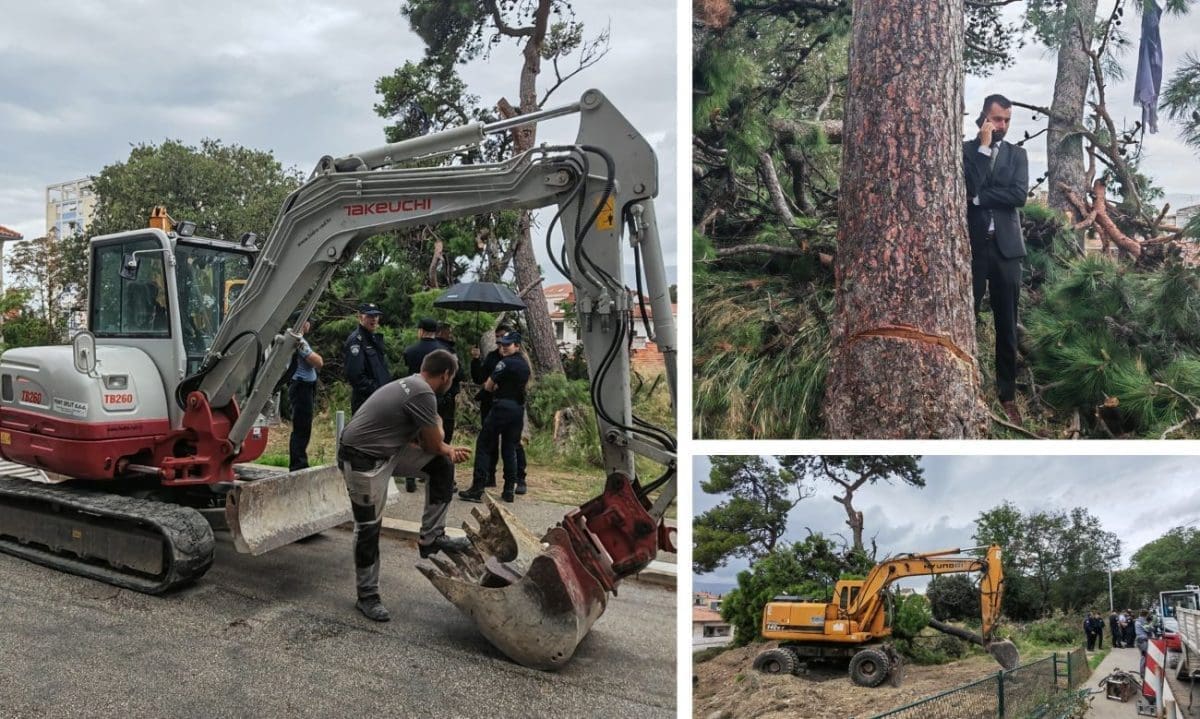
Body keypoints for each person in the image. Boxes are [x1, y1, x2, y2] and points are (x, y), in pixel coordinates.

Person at [337, 349, 472, 622]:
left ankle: (431, 537)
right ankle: (367, 596)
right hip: (363, 460)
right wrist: (442, 431)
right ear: (446, 375)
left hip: (387, 453)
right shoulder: (423, 393)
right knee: (367, 529)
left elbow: (426, 446)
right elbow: (434, 442)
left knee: (440, 465)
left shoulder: (412, 383)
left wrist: (442, 448)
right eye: (451, 378)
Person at [964, 93, 1029, 425]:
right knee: (966, 319)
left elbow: (1018, 195)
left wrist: (980, 197)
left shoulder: (1019, 154)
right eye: (997, 119)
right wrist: (983, 147)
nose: (1003, 125)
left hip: (1007, 250)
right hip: (972, 249)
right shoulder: (966, 151)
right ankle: (966, 386)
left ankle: (1007, 395)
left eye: (1006, 120)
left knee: (1007, 326)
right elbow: (967, 187)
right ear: (984, 118)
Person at [460, 332, 530, 503]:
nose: (504, 347)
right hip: (517, 409)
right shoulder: (525, 365)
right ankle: (508, 490)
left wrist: (495, 386)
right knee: (510, 447)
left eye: (508, 344)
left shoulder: (503, 363)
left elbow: (488, 386)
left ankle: (477, 487)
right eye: (503, 344)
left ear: (517, 346)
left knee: (484, 443)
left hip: (502, 407)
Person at [288, 320, 323, 471]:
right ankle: (298, 464)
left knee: (304, 425)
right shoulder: (298, 340)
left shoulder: (296, 339)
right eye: (307, 321)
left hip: (304, 386)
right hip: (301, 386)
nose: (309, 324)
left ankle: (299, 461)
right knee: (301, 427)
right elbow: (318, 362)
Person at [343, 303, 390, 415]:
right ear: (360, 317)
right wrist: (376, 389)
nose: (373, 319)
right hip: (366, 401)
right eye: (369, 316)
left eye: (376, 316)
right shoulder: (356, 341)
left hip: (379, 398)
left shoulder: (373, 339)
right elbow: (355, 375)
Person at [1135, 609, 1154, 677]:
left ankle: (1143, 672)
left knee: (1143, 656)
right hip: (1143, 641)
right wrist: (1151, 625)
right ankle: (1142, 674)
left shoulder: (1138, 620)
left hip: (1140, 640)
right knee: (1144, 657)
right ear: (1146, 615)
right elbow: (1149, 629)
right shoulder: (1143, 621)